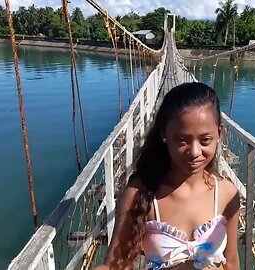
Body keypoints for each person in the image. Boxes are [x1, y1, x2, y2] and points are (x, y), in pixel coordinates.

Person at [95, 82, 240, 269]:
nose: (195, 152)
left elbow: (232, 260)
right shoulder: (139, 194)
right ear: (164, 134)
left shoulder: (227, 194)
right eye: (182, 140)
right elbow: (114, 265)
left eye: (205, 140)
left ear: (219, 133)